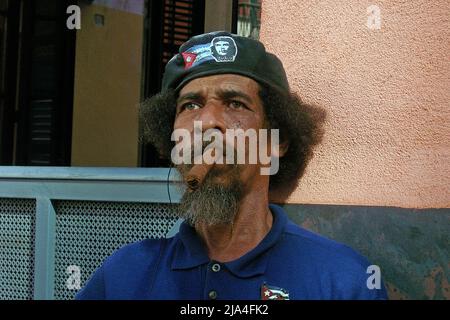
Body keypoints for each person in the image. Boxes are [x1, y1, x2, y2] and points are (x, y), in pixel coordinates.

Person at [76, 31, 388, 300]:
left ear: (276, 142)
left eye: (235, 103)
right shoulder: (122, 277)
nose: (207, 122)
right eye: (191, 105)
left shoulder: (343, 282)